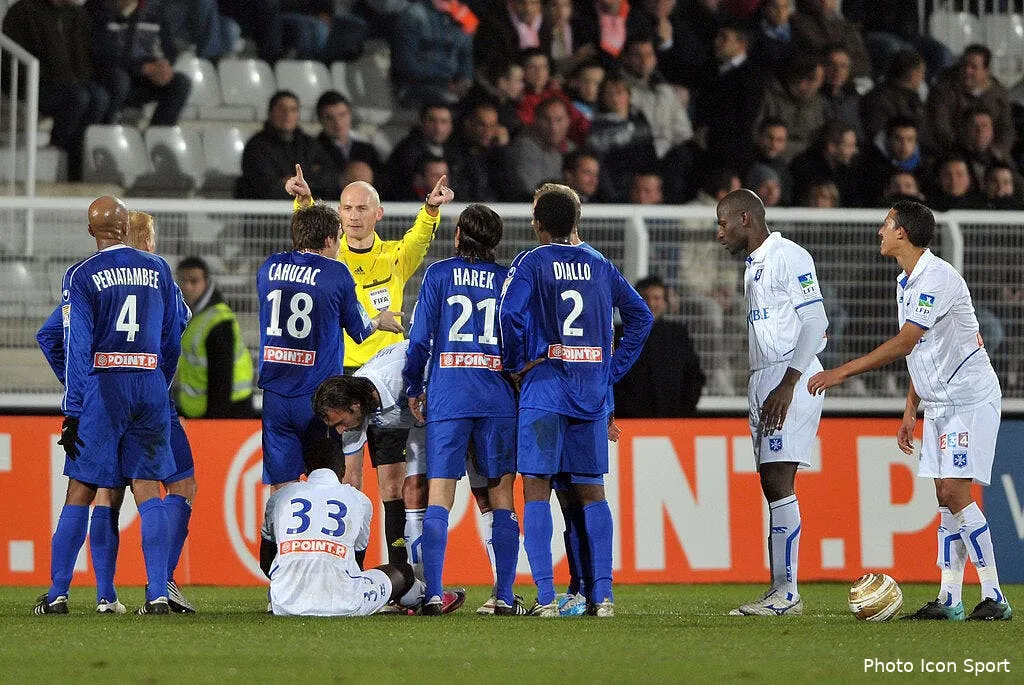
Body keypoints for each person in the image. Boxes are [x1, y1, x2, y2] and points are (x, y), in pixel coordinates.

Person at [807, 200, 1012, 622]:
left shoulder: (936, 278)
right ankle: (950, 599)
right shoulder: (906, 281)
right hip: (939, 402)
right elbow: (920, 352)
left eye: (885, 225)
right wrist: (910, 410)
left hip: (969, 399)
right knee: (944, 497)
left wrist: (841, 372)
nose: (879, 232)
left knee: (955, 493)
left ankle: (995, 595)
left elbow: (905, 341)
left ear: (903, 232)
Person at [285, 166, 453, 572]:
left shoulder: (394, 257)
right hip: (343, 383)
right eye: (346, 208)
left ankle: (399, 575)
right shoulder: (330, 255)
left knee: (393, 484)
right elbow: (308, 239)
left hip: (390, 386)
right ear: (338, 215)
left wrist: (430, 209)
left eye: (362, 208)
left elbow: (419, 239)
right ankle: (350, 570)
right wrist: (303, 204)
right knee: (350, 481)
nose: (353, 215)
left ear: (377, 214)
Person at [499, 183, 653, 616]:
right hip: (590, 392)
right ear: (576, 222)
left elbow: (509, 314)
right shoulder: (600, 264)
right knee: (592, 494)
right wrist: (610, 369)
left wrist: (516, 363)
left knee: (535, 491)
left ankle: (546, 599)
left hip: (546, 386)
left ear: (539, 224)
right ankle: (602, 597)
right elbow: (641, 316)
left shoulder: (532, 261)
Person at [35, 209, 196, 615]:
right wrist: (160, 380)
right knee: (148, 486)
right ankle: (158, 593)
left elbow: (74, 342)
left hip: (104, 387)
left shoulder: (82, 274)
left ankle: (57, 595)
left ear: (91, 230)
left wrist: (74, 406)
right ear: (127, 228)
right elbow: (172, 336)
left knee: (83, 489)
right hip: (149, 383)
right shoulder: (159, 270)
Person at [402, 204, 523, 615]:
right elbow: (519, 343)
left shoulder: (439, 274)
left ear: (458, 235)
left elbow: (419, 341)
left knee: (440, 496)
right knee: (501, 497)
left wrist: (413, 386)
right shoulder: (509, 279)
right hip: (497, 400)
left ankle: (433, 593)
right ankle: (504, 597)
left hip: (449, 397)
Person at [714, 188, 828, 616]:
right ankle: (779, 587)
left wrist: (788, 382)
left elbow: (817, 320)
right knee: (770, 483)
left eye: (723, 223)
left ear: (746, 219)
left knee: (779, 481)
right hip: (765, 377)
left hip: (787, 378)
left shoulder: (789, 256)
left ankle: (789, 593)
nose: (719, 233)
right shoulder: (754, 266)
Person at [256, 202, 401, 493]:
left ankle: (275, 540)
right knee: (327, 485)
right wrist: (378, 320)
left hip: (274, 396)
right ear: (329, 240)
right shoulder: (336, 273)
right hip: (318, 399)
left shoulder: (269, 267)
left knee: (280, 490)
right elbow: (359, 330)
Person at [311, 360, 468, 615]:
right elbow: (350, 479)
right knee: (407, 492)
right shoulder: (355, 412)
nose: (340, 430)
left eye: (340, 422)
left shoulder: (401, 377)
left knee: (420, 490)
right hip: (411, 420)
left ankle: (427, 590)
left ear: (355, 406)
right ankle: (409, 592)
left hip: (444, 403)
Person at [259, 437, 417, 617]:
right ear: (343, 470)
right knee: (403, 572)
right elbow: (357, 560)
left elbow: (266, 561)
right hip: (345, 603)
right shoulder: (358, 500)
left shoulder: (280, 497)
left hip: (285, 604)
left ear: (305, 468)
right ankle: (421, 600)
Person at [2, 0, 110, 181]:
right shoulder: (23, 11)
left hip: (70, 85)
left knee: (99, 98)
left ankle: (74, 160)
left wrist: (74, 80)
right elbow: (13, 65)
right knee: (78, 98)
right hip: (32, 85)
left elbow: (84, 59)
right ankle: (56, 151)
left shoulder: (77, 15)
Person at [87, 0, 192, 128]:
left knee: (180, 82)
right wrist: (142, 68)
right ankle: (105, 131)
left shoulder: (155, 10)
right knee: (119, 79)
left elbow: (170, 50)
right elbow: (101, 54)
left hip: (143, 78)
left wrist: (163, 65)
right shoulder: (98, 8)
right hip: (107, 77)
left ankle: (156, 138)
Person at [614, 275, 705, 417]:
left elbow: (693, 376)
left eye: (657, 298)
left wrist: (683, 413)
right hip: (628, 420)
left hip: (672, 420)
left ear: (665, 302)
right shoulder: (617, 334)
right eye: (644, 297)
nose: (650, 303)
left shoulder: (678, 334)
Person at [175, 256, 254, 418]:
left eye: (194, 281)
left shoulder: (218, 321)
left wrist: (213, 422)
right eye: (183, 281)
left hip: (227, 412)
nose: (187, 286)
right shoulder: (192, 315)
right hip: (200, 411)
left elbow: (221, 380)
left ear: (206, 282)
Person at [236, 91, 336, 200]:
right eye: (281, 109)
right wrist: (303, 182)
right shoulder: (256, 146)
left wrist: (293, 182)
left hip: (305, 210)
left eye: (293, 110)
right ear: (270, 113)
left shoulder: (310, 144)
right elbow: (264, 186)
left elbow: (329, 178)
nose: (287, 114)